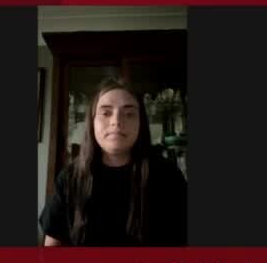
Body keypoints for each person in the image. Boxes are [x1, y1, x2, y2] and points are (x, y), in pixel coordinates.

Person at [39, 78, 187, 247]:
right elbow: (52, 247)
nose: (116, 121)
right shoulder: (70, 178)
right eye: (106, 113)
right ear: (92, 122)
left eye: (129, 113)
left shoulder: (168, 175)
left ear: (141, 124)